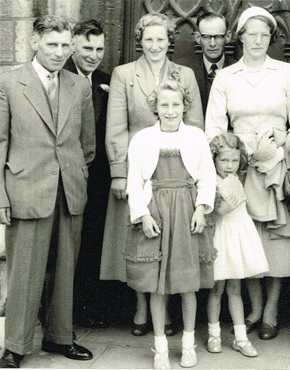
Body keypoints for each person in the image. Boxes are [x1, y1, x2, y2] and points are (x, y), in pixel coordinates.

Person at [0, 15, 94, 368]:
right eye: (52, 45)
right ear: (34, 42)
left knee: (65, 268)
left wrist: (73, 174)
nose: (60, 53)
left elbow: (86, 145)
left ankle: (60, 337)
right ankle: (16, 345)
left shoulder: (80, 86)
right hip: (25, 190)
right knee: (25, 272)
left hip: (69, 189)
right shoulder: (8, 82)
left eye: (65, 46)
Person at [206, 6, 290, 341]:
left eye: (265, 35)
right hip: (242, 168)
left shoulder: (285, 72)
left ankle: (271, 310)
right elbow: (215, 128)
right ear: (240, 37)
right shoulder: (226, 77)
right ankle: (253, 306)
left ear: (271, 39)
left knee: (277, 242)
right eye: (252, 34)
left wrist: (281, 150)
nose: (258, 41)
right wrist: (234, 159)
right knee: (246, 238)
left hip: (278, 166)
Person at [100, 12, 204, 337]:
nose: (155, 46)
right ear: (140, 41)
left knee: (174, 241)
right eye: (149, 40)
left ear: (169, 41)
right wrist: (119, 172)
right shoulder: (124, 74)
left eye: (161, 39)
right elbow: (116, 127)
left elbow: (197, 123)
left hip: (176, 172)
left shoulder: (184, 74)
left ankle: (170, 309)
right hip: (139, 168)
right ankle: (142, 305)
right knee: (142, 241)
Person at [125, 76, 216, 369]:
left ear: (185, 106)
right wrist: (143, 215)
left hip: (186, 210)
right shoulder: (142, 139)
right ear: (154, 106)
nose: (170, 110)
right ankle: (161, 348)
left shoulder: (196, 137)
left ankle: (188, 344)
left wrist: (201, 208)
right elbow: (134, 182)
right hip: (156, 211)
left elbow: (207, 176)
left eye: (176, 104)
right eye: (164, 104)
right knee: (156, 285)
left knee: (188, 284)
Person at [63, 18, 111, 329]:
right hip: (66, 176)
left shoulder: (109, 81)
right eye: (87, 48)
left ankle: (86, 308)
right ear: (73, 46)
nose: (93, 55)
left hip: (98, 180)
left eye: (99, 49)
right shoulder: (60, 76)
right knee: (64, 248)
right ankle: (56, 311)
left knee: (92, 244)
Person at [206, 133, 269, 358]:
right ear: (214, 160)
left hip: (237, 235)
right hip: (218, 237)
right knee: (216, 289)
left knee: (235, 289)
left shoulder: (240, 178)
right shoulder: (209, 181)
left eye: (234, 160)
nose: (229, 165)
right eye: (224, 160)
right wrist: (218, 211)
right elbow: (206, 214)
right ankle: (213, 333)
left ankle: (240, 338)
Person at [176, 12, 234, 114]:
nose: (212, 44)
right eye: (206, 37)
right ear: (198, 38)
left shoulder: (238, 69)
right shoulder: (183, 70)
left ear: (228, 37)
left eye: (218, 36)